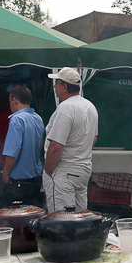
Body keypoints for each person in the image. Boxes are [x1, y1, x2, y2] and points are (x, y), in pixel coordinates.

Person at [43, 67, 98, 212]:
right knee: (80, 217)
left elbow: (56, 145)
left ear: (65, 87)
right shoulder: (90, 106)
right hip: (83, 170)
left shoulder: (65, 108)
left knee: (61, 219)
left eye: (56, 83)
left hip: (63, 172)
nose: (54, 87)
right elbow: (93, 139)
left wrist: (48, 171)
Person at [1, 86, 45, 206]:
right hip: (35, 180)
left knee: (11, 215)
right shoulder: (38, 119)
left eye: (10, 101)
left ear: (15, 100)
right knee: (33, 213)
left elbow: (12, 152)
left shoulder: (17, 120)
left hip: (19, 184)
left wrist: (5, 173)